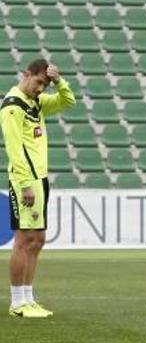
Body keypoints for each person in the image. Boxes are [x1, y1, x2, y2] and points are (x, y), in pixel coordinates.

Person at [2, 60, 76, 318]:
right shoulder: (13, 106)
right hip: (26, 181)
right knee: (24, 240)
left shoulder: (36, 101)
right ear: (26, 75)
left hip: (40, 178)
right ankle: (17, 302)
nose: (41, 89)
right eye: (39, 82)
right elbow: (14, 149)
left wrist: (59, 82)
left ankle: (28, 298)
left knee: (38, 240)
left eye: (45, 84)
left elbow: (68, 102)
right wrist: (24, 185)